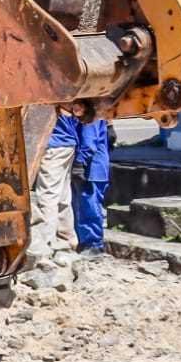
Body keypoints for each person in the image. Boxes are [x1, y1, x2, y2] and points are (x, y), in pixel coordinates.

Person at [26, 112, 80, 267]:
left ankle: (46, 246)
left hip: (52, 143)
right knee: (63, 196)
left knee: (47, 197)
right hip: (68, 142)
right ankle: (67, 241)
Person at [72, 118, 112, 253]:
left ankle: (93, 245)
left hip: (91, 169)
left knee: (89, 207)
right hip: (95, 167)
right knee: (86, 206)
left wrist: (79, 162)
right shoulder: (98, 115)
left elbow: (89, 142)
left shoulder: (91, 117)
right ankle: (88, 243)